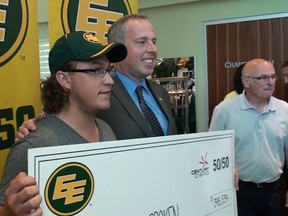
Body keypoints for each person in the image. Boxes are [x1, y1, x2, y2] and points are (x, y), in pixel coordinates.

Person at [0, 30, 127, 216]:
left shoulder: (106, 129)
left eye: (109, 70)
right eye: (96, 70)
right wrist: (11, 212)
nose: (109, 80)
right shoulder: (33, 145)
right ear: (64, 79)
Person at [15, 14, 177, 142]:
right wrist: (32, 130)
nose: (153, 49)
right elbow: (60, 119)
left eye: (154, 41)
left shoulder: (160, 92)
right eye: (142, 42)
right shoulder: (96, 94)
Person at [209, 58, 288, 216]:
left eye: (273, 77)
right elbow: (212, 149)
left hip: (273, 190)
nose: (270, 82)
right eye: (263, 78)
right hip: (239, 191)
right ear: (246, 81)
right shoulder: (225, 110)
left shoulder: (284, 109)